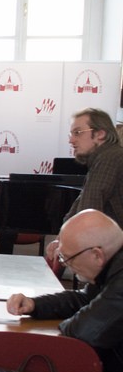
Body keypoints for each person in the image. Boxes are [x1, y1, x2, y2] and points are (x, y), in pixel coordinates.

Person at [6, 210, 123, 372]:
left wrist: (71, 322)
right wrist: (35, 305)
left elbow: (82, 331)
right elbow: (84, 299)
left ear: (97, 255)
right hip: (114, 369)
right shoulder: (115, 264)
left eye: (67, 258)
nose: (66, 264)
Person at [45, 108, 123, 263]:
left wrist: (67, 244)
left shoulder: (110, 158)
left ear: (100, 134)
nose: (71, 140)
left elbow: (89, 209)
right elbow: (81, 201)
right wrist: (61, 239)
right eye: (71, 134)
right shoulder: (106, 157)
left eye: (78, 133)